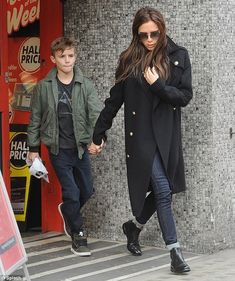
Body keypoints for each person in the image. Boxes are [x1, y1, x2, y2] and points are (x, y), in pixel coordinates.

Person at [89, 7, 192, 273]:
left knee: (164, 190)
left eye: (154, 34)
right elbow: (114, 101)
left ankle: (133, 227)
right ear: (136, 34)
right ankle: (175, 254)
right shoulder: (129, 60)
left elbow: (184, 97)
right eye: (143, 34)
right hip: (142, 138)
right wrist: (99, 134)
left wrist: (159, 86)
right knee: (162, 188)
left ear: (162, 29)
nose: (149, 39)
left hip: (166, 136)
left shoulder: (178, 56)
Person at [27, 37, 102, 257]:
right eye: (62, 57)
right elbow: (35, 118)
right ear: (53, 59)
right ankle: (78, 235)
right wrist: (33, 148)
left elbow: (96, 113)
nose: (67, 60)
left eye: (70, 56)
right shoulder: (44, 86)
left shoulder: (85, 84)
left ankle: (67, 210)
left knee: (86, 190)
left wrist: (98, 139)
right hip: (58, 149)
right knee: (71, 191)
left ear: (75, 57)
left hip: (79, 148)